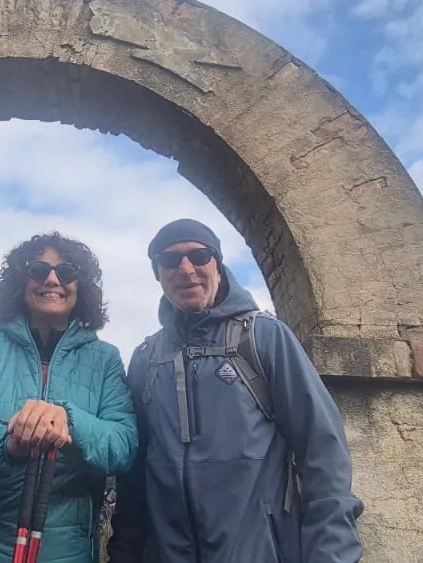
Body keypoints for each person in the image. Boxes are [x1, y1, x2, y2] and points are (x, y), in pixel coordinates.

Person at [106, 219, 364, 563]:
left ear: (218, 263)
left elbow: (322, 451)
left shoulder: (264, 338)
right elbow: (136, 478)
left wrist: (332, 554)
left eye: (199, 256)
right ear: (158, 274)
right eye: (170, 260)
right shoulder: (145, 359)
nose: (186, 269)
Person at [0, 233, 138, 563]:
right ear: (21, 282)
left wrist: (69, 422)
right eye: (39, 270)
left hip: (64, 554)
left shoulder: (105, 359)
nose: (52, 279)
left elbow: (123, 446)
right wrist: (8, 443)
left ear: (80, 286)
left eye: (66, 272)